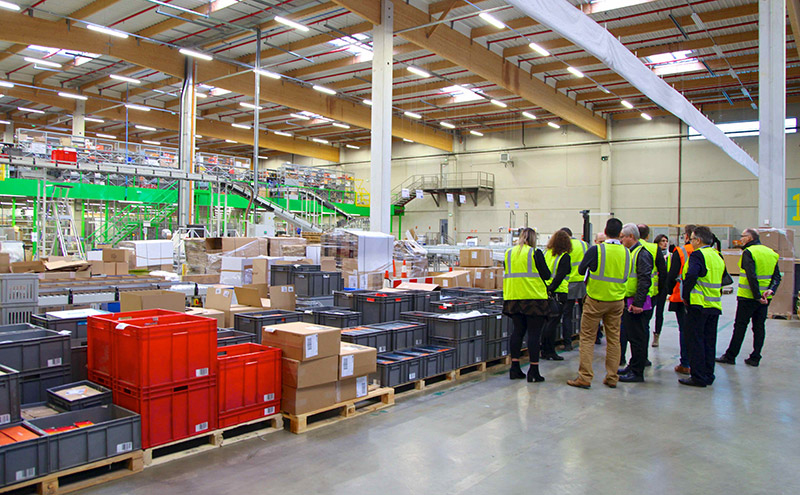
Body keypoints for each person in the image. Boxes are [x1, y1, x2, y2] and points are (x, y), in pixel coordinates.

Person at [567, 218, 631, 389]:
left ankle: (585, 377)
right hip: (617, 301)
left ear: (605, 230)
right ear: (620, 234)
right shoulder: (627, 252)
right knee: (614, 340)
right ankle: (612, 376)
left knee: (587, 338)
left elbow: (581, 271)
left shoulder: (597, 250)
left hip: (596, 299)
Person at [716, 229, 781, 367]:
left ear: (750, 237)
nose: (741, 239)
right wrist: (771, 291)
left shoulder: (749, 252)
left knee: (740, 326)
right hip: (765, 298)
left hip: (748, 297)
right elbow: (777, 276)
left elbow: (752, 276)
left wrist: (757, 296)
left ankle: (730, 356)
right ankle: (755, 357)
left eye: (743, 236)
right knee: (759, 327)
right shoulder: (771, 253)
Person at [679, 226, 727, 388]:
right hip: (714, 304)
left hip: (698, 305)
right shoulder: (717, 255)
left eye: (691, 239)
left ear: (698, 240)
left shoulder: (698, 255)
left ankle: (698, 376)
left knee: (695, 341)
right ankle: (708, 374)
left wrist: (685, 295)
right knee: (709, 341)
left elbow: (692, 274)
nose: (690, 242)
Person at [503, 227, 551, 383]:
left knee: (517, 332)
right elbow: (546, 274)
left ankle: (514, 368)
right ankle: (534, 371)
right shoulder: (534, 253)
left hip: (513, 297)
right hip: (533, 299)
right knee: (534, 334)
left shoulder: (509, 253)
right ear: (533, 239)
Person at [617, 223, 653, 383]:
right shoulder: (631, 252)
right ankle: (633, 365)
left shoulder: (641, 254)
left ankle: (638, 371)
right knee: (632, 336)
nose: (621, 240)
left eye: (623, 237)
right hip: (630, 300)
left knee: (638, 338)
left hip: (638, 303)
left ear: (631, 236)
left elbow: (645, 279)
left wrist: (638, 302)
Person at [666, 225, 696, 375]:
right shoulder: (712, 252)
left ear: (687, 236)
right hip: (705, 299)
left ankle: (686, 363)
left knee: (685, 330)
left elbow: (672, 275)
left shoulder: (681, 251)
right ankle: (698, 363)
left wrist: (669, 291)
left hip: (681, 296)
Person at [541, 230, 572, 361]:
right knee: (553, 323)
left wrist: (546, 289)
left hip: (544, 291)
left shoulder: (546, 253)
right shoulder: (564, 256)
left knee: (546, 322)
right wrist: (552, 289)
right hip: (558, 292)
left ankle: (544, 350)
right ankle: (550, 351)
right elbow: (560, 276)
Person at [559, 227, 588, 351]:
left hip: (568, 283)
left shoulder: (563, 246)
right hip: (583, 283)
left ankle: (567, 343)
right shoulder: (584, 245)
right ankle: (590, 339)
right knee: (586, 314)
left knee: (567, 315)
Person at [651, 234, 670, 347]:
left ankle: (657, 335)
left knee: (660, 313)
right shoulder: (653, 254)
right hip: (654, 287)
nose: (665, 243)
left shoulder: (670, 256)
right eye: (662, 241)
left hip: (663, 287)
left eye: (666, 241)